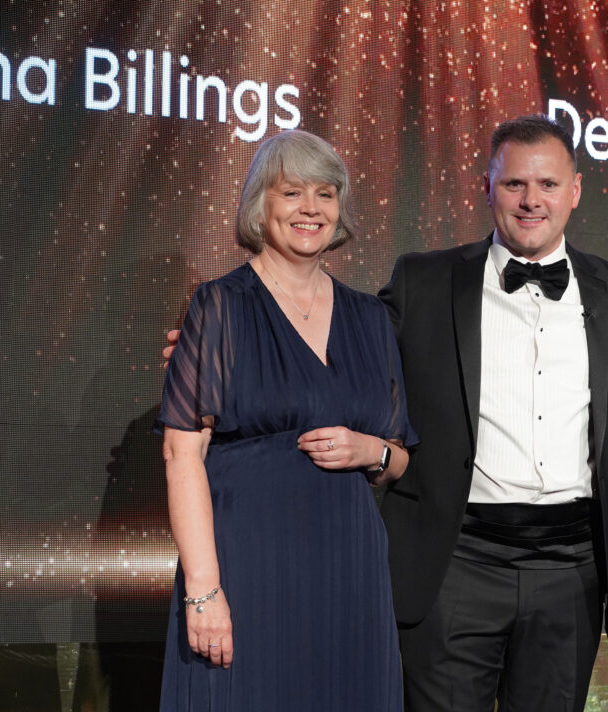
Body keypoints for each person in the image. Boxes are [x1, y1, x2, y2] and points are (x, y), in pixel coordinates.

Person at [377, 114, 608, 711]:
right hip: (456, 562)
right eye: (514, 185)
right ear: (487, 188)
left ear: (575, 192)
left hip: (573, 570)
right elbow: (343, 351)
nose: (531, 201)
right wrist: (231, 343)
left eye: (548, 185)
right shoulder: (424, 281)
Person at [156, 129, 416, 711]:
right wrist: (203, 592)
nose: (310, 209)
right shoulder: (220, 306)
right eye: (291, 192)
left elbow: (399, 457)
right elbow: (181, 455)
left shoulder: (370, 317)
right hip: (247, 567)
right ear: (260, 206)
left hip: (350, 576)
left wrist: (368, 449)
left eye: (325, 194)